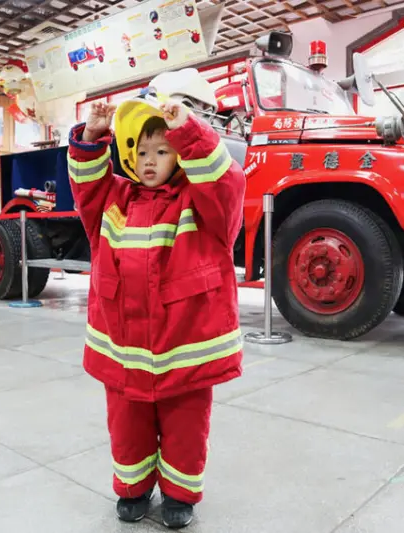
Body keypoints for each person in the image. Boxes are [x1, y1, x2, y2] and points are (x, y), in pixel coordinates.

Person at [66, 95, 246, 529]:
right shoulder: (112, 200)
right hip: (123, 348)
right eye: (142, 152)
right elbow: (87, 183)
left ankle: (180, 495)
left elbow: (227, 181)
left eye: (163, 151)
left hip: (185, 348)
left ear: (181, 154)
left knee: (186, 425)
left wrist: (187, 128)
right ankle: (133, 488)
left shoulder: (203, 205)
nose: (150, 162)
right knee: (127, 425)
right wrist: (91, 137)